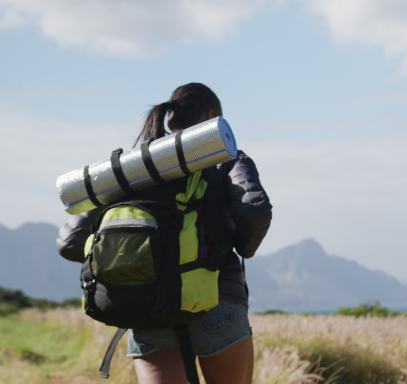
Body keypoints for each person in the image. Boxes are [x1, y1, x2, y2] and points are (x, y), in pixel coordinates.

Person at [57, 82, 272, 384]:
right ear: (211, 115)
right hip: (217, 298)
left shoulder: (131, 169)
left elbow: (69, 243)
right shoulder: (227, 158)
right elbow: (255, 211)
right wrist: (241, 246)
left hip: (146, 304)